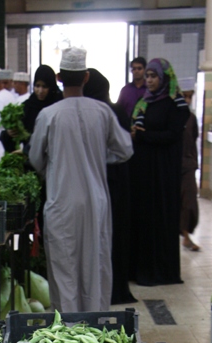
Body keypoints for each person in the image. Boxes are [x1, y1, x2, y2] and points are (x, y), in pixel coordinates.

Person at [29, 47, 133, 313]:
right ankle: (96, 329)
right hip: (95, 202)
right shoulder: (102, 112)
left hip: (62, 202)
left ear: (60, 77)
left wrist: (55, 165)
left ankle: (67, 333)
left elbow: (36, 159)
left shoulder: (49, 115)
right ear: (86, 77)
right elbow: (125, 150)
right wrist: (97, 158)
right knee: (94, 265)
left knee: (64, 267)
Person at [129, 58, 190, 286]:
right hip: (145, 171)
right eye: (148, 76)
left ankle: (162, 271)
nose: (150, 80)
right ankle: (142, 268)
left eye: (154, 76)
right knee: (145, 218)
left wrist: (143, 136)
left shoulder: (175, 104)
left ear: (164, 77)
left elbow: (172, 135)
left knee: (161, 217)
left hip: (163, 172)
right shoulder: (146, 102)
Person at [83, 68, 136, 304]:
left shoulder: (99, 114)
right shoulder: (114, 112)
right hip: (118, 184)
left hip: (105, 183)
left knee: (101, 237)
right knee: (114, 236)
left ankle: (100, 290)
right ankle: (114, 287)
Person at [0, 64, 63, 154]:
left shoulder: (60, 104)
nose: (40, 91)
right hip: (31, 161)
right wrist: (9, 134)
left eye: (44, 87)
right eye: (37, 86)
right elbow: (14, 142)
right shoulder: (27, 107)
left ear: (51, 87)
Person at [179, 87, 200, 251]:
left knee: (189, 201)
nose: (187, 100)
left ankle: (186, 236)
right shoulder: (174, 117)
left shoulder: (192, 119)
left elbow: (192, 139)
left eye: (190, 97)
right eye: (184, 96)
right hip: (173, 166)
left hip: (188, 165)